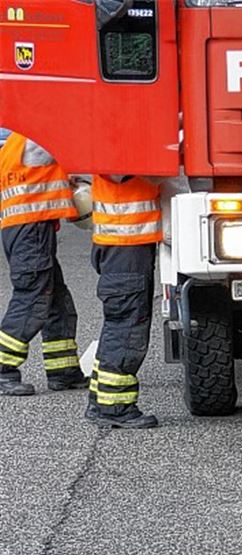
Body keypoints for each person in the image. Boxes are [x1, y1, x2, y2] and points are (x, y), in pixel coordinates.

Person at [0, 131, 89, 395]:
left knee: (56, 302)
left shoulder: (15, 143)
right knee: (34, 298)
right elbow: (67, 147)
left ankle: (63, 371)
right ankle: (3, 368)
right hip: (31, 228)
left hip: (27, 228)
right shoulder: (34, 137)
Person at [83, 174, 162, 429]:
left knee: (119, 324)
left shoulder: (112, 145)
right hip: (125, 247)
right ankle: (114, 407)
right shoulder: (120, 150)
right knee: (127, 327)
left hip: (121, 246)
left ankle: (100, 401)